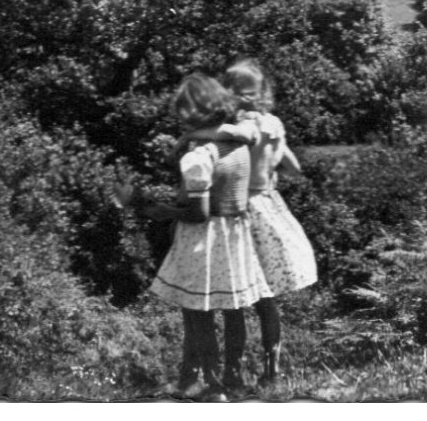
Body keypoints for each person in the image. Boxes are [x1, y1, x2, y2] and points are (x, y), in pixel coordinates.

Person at [136, 72, 270, 401]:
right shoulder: (241, 145)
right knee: (234, 311)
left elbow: (199, 213)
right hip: (235, 237)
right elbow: (248, 131)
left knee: (199, 314)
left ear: (194, 111)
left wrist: (165, 211)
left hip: (204, 241)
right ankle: (233, 380)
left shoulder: (198, 157)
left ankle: (210, 386)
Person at [218, 58, 317, 386]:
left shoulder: (237, 129)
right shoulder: (273, 124)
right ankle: (271, 370)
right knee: (265, 300)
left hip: (239, 211)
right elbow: (294, 167)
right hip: (268, 207)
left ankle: (233, 371)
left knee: (235, 299)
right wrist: (270, 163)